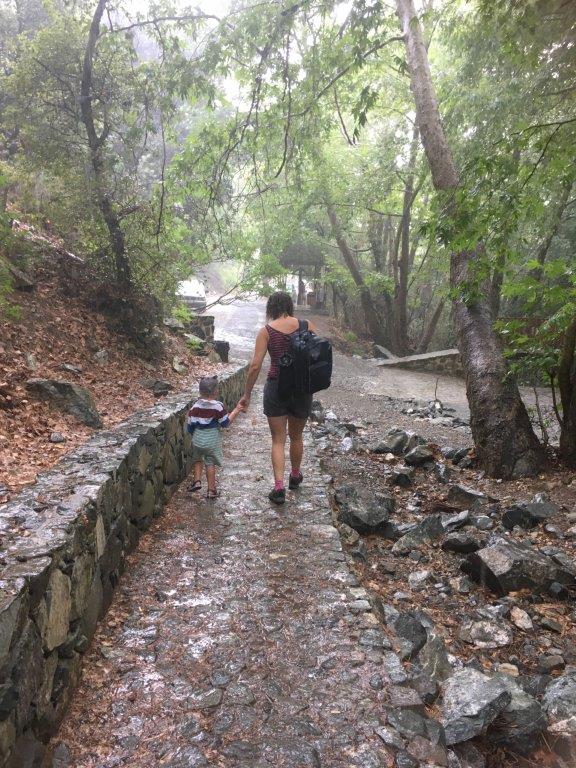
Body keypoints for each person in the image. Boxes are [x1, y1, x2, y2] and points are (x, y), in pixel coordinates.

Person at [239, 291, 319, 505]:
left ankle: (278, 487)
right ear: (289, 306)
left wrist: (247, 395)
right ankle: (294, 475)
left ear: (271, 308)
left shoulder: (266, 331)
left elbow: (255, 366)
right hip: (302, 389)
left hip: (276, 387)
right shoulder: (307, 326)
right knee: (297, 436)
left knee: (278, 440)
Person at [187, 376, 243, 499]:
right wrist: (236, 410)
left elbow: (190, 426)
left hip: (197, 440)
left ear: (200, 391)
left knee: (197, 459)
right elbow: (225, 423)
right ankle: (211, 490)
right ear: (216, 391)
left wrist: (195, 435)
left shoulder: (194, 407)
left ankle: (196, 481)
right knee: (209, 462)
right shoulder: (218, 406)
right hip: (211, 441)